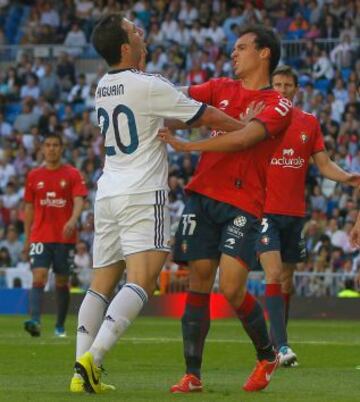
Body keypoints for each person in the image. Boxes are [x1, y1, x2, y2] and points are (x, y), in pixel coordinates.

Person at [71, 13, 245, 394]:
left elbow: (161, 116)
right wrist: (247, 128)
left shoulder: (103, 86)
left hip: (109, 190)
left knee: (100, 284)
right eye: (134, 31)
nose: (141, 33)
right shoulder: (148, 84)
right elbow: (206, 115)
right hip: (142, 192)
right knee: (144, 279)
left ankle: (78, 370)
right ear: (124, 47)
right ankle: (93, 360)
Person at [159, 25, 292, 393]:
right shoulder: (219, 88)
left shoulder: (278, 103)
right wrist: (145, 87)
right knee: (199, 281)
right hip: (202, 196)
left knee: (232, 289)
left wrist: (188, 147)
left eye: (242, 47)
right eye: (234, 48)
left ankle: (267, 354)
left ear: (264, 53)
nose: (234, 54)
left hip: (243, 203)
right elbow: (176, 98)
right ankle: (192, 375)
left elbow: (248, 138)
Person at [252, 65, 360, 367]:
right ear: (270, 86)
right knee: (273, 274)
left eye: (288, 85)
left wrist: (348, 177)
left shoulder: (308, 122)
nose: (283, 89)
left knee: (287, 279)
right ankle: (282, 346)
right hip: (264, 210)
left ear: (296, 89)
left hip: (294, 212)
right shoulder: (258, 120)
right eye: (277, 84)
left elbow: (324, 164)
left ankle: (275, 344)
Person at [23, 133, 88, 338]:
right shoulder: (34, 176)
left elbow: (79, 200)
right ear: (42, 149)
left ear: (61, 148)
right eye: (48, 145)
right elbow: (29, 208)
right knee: (39, 275)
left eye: (55, 145)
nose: (51, 148)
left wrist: (73, 220)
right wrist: (27, 238)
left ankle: (59, 326)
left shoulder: (72, 174)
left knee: (61, 281)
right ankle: (35, 320)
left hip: (64, 237)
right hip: (40, 235)